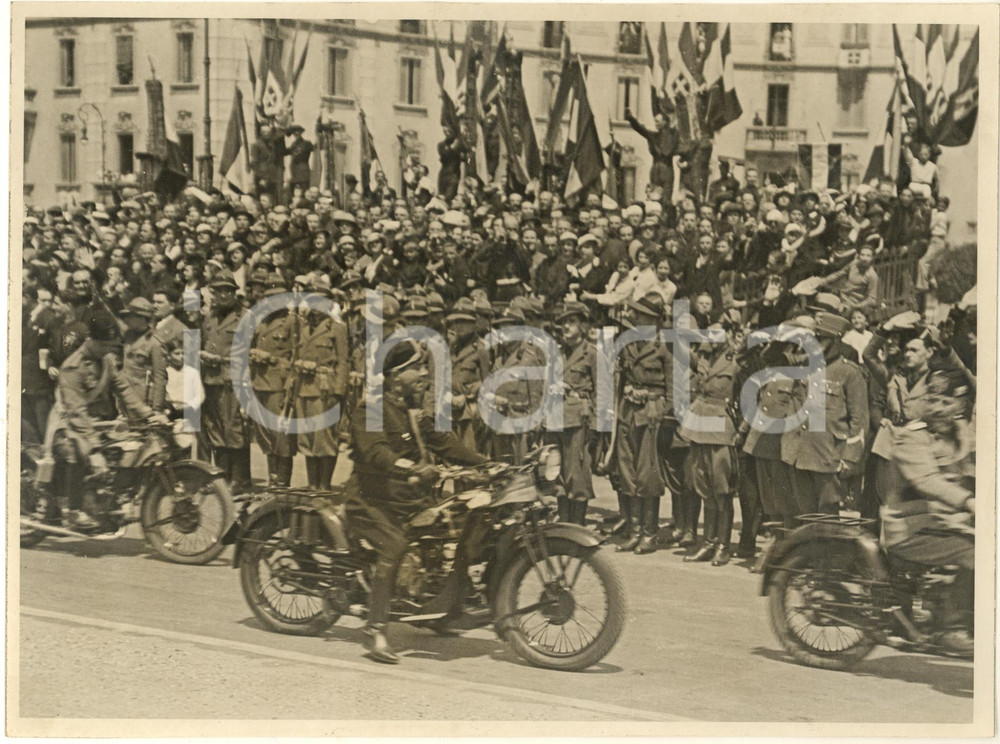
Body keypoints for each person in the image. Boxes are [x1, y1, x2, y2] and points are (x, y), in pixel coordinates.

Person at [347, 340, 488, 664]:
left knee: (453, 531)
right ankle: (376, 629)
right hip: (370, 499)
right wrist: (410, 467)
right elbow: (376, 451)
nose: (424, 373)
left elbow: (443, 441)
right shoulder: (371, 407)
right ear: (396, 375)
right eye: (416, 367)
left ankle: (443, 610)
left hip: (407, 499)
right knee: (394, 546)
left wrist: (484, 463)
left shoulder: (410, 409)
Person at [47, 311, 168, 528]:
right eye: (104, 345)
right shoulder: (72, 368)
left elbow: (124, 389)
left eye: (110, 345)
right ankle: (74, 510)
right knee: (79, 452)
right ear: (90, 340)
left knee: (126, 447)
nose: (108, 349)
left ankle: (112, 501)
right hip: (68, 423)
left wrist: (148, 414)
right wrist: (93, 449)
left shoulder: (107, 361)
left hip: (97, 421)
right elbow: (76, 412)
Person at [881, 373, 974, 652]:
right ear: (928, 401)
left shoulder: (953, 436)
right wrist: (969, 503)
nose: (943, 408)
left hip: (935, 523)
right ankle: (951, 628)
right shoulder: (912, 437)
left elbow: (964, 472)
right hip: (907, 527)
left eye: (951, 403)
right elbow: (927, 481)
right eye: (937, 400)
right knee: (975, 552)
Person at [614, 293, 673, 554]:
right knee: (627, 470)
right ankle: (635, 530)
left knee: (647, 474)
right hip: (628, 411)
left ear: (652, 319)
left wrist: (656, 407)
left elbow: (673, 391)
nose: (635, 318)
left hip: (650, 412)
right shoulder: (628, 343)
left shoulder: (664, 346)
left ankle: (649, 533)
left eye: (640, 315)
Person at [551, 302, 597, 525]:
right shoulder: (558, 353)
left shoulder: (591, 354)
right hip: (556, 420)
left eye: (572, 322)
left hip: (580, 422)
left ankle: (577, 526)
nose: (566, 326)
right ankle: (563, 523)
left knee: (576, 475)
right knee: (557, 474)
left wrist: (597, 429)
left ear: (583, 325)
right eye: (564, 323)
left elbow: (601, 393)